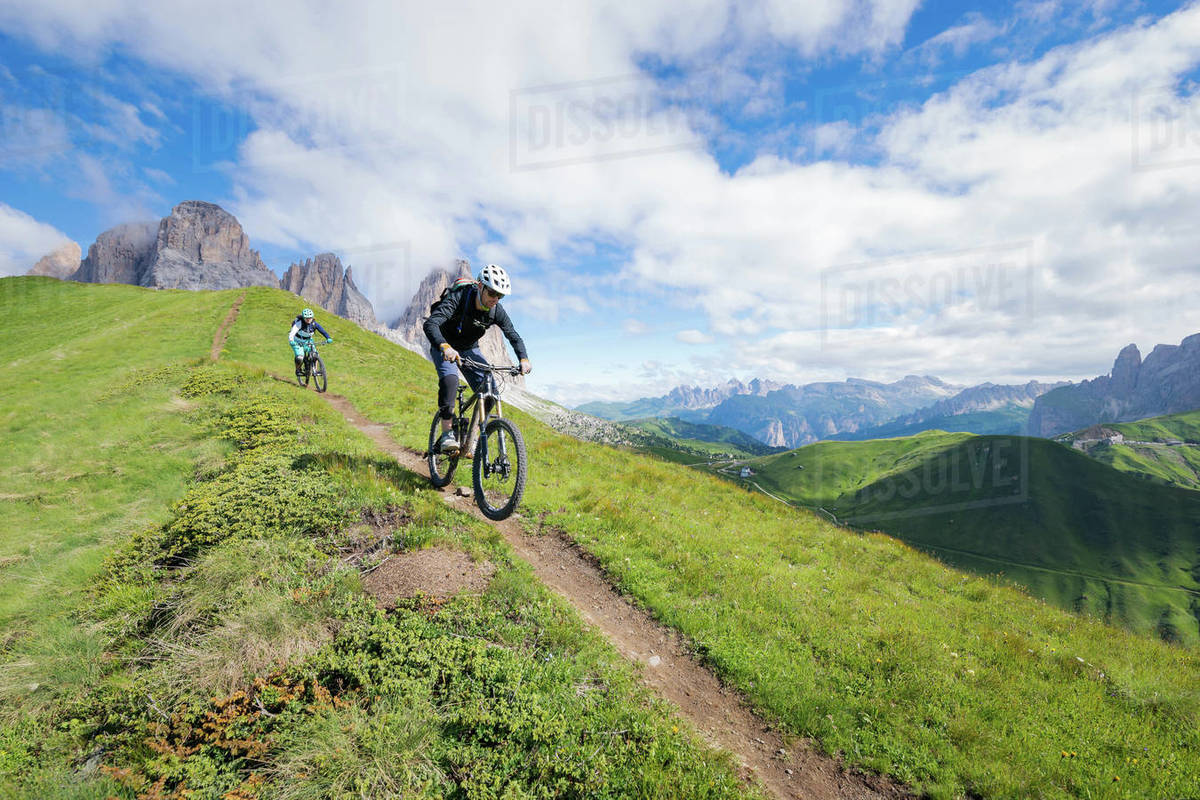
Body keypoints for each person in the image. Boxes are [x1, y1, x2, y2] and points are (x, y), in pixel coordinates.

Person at [424, 264, 531, 454]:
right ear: (480, 286)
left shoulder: (496, 310)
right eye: (492, 293)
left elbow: (513, 335)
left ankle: (471, 438)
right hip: (444, 344)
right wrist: (445, 346)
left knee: (491, 392)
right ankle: (448, 433)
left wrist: (523, 358)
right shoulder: (460, 298)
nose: (495, 299)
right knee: (450, 379)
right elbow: (431, 324)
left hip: (468, 348)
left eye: (500, 296)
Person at [289, 307, 332, 376]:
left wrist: (328, 338)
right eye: (306, 318)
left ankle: (315, 370)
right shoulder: (299, 324)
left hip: (308, 341)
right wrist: (291, 341)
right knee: (300, 357)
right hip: (297, 341)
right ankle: (298, 369)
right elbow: (292, 332)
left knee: (315, 355)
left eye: (310, 318)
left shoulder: (314, 324)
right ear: (303, 318)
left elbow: (322, 331)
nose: (308, 319)